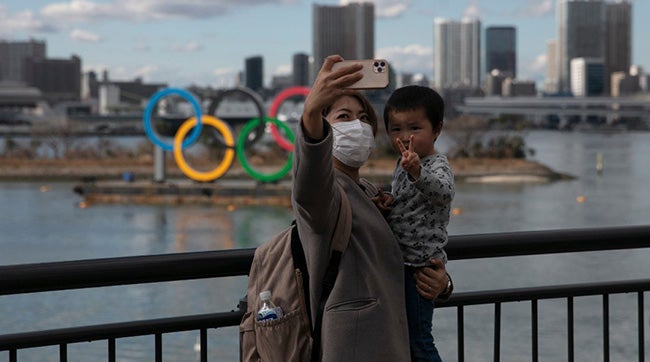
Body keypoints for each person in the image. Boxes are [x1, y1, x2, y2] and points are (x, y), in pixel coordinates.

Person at [292, 54, 453, 361]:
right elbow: (308, 185)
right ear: (324, 128)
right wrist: (311, 113)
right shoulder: (325, 194)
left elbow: (401, 255)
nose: (358, 125)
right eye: (344, 117)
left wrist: (441, 284)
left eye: (364, 118)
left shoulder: (369, 192)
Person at [375, 85, 455, 362]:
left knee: (419, 340)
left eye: (414, 128)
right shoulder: (403, 163)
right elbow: (407, 201)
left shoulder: (434, 165)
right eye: (395, 129)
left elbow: (444, 193)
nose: (404, 137)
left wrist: (417, 171)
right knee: (404, 338)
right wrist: (389, 201)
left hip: (420, 268)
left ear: (437, 129)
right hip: (403, 263)